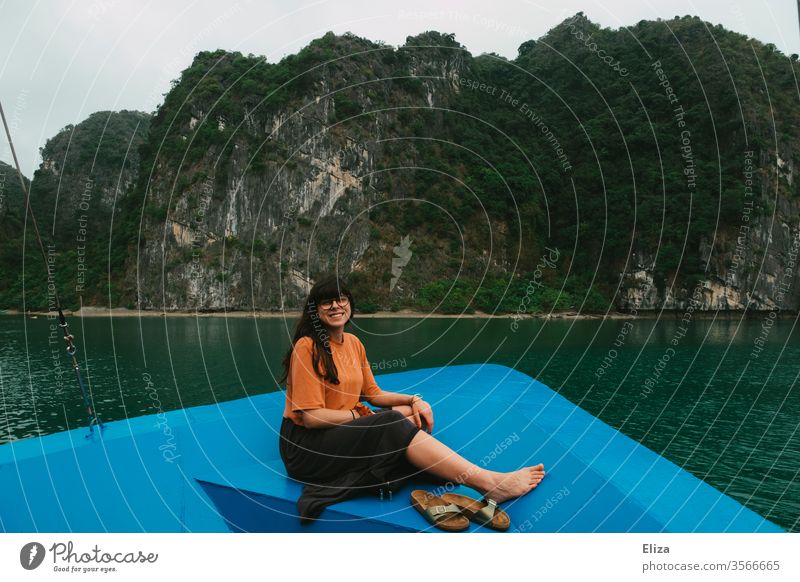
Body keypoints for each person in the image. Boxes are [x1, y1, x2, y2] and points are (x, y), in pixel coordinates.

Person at [278, 274, 545, 522]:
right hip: (307, 448)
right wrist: (360, 415)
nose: (336, 306)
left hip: (339, 432)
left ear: (350, 304)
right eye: (327, 302)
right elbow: (311, 418)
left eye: (342, 299)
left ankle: (438, 462)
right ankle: (489, 483)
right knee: (393, 423)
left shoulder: (353, 343)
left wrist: (413, 400)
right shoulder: (307, 347)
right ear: (315, 311)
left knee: (407, 415)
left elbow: (373, 394)